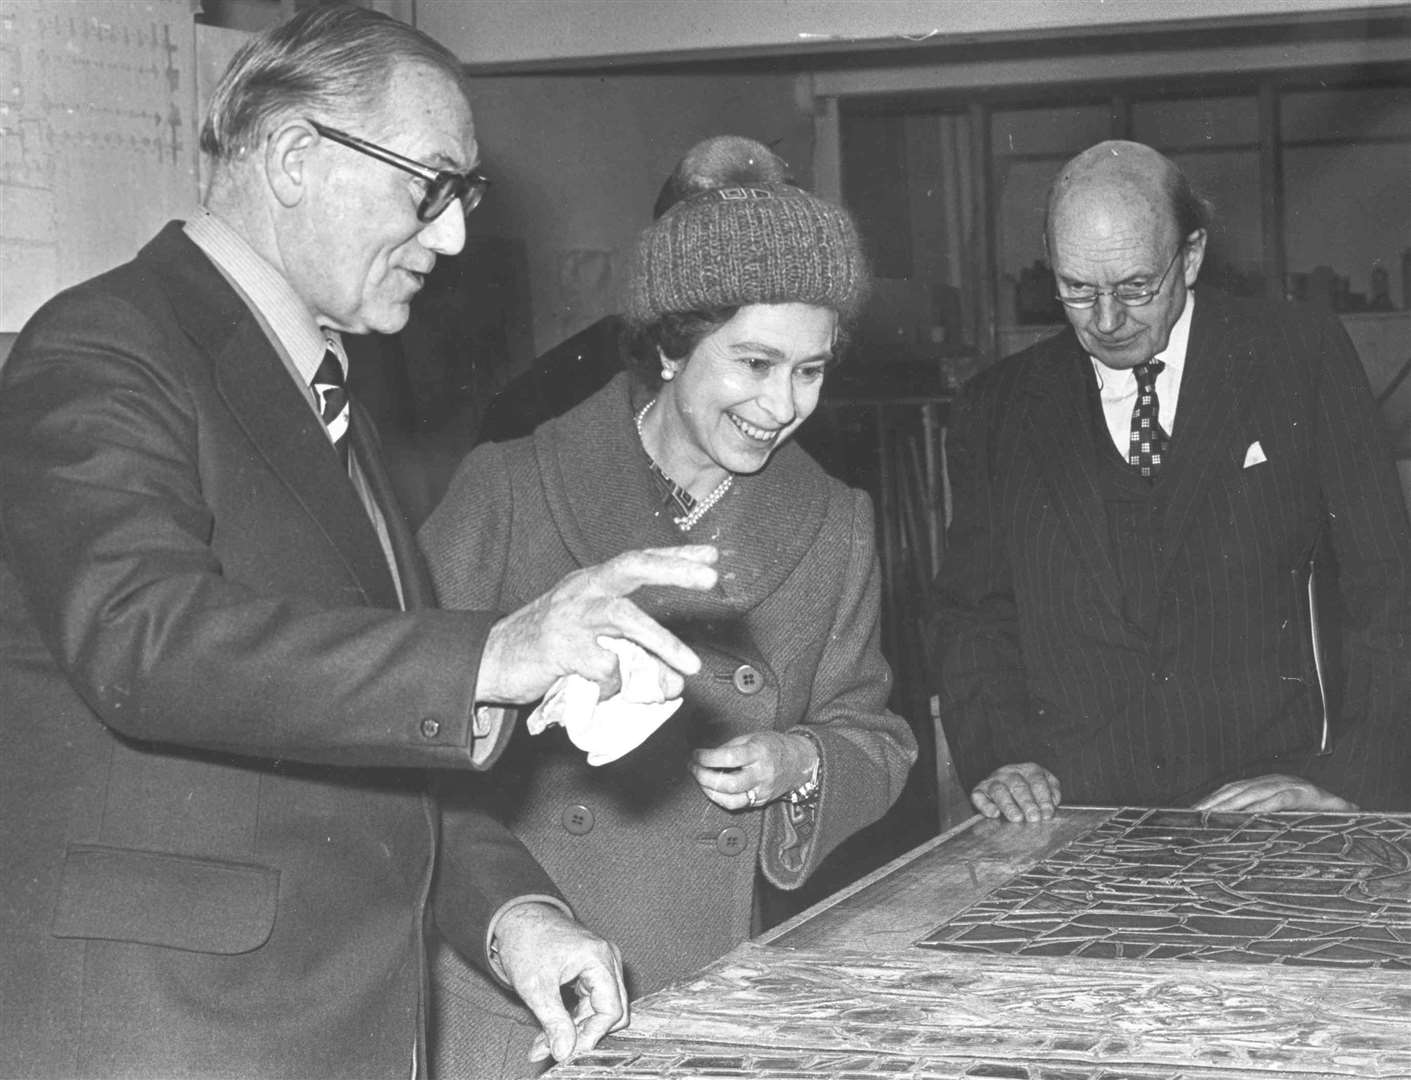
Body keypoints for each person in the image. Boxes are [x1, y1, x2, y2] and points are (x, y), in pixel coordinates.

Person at [0, 8, 720, 1078]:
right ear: (296, 156)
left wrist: (514, 915)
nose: (454, 238)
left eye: (464, 198)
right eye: (430, 186)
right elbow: (140, 637)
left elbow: (366, 736)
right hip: (168, 1031)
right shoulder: (105, 345)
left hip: (321, 1023)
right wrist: (492, 654)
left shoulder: (329, 398)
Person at [419, 136, 919, 1077]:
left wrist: (800, 761)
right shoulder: (509, 490)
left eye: (810, 370)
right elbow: (396, 741)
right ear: (668, 345)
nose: (783, 405)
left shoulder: (835, 524)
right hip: (509, 993)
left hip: (705, 988)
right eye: (755, 363)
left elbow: (874, 732)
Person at [932, 139, 1411, 825]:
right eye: (1074, 289)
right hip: (1074, 814)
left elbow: (1387, 587)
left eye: (1134, 287)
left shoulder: (1296, 357)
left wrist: (1348, 777)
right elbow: (972, 612)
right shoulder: (996, 407)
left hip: (1266, 810)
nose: (1104, 321)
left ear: (1189, 256)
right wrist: (1003, 755)